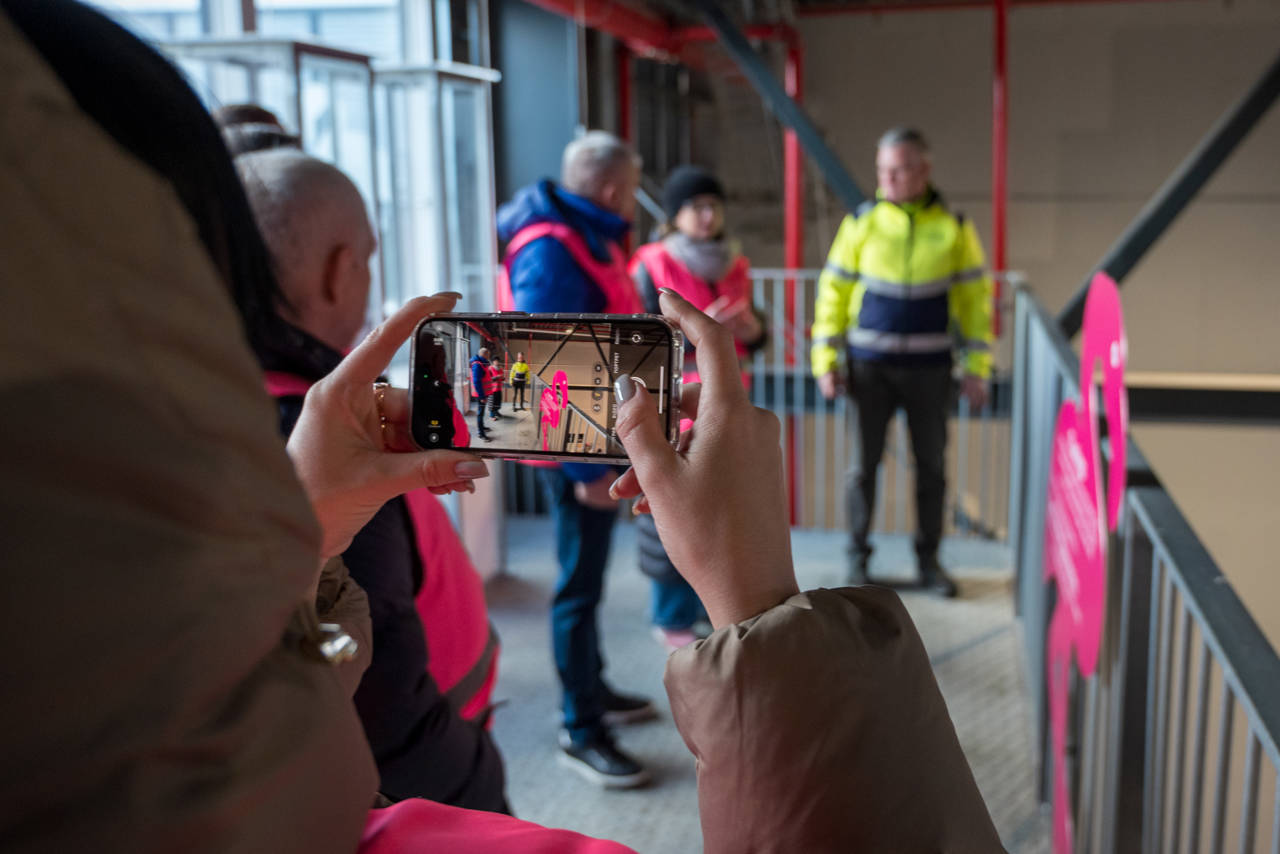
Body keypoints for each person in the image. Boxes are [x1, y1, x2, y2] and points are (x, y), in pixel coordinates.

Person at [2, 4, 1004, 850]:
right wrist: (761, 608)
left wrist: (296, 561)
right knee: (574, 588)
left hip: (443, 706)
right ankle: (580, 714)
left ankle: (585, 704)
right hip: (454, 717)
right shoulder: (560, 244)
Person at [236, 148, 508, 811]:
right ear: (341, 271)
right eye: (368, 253)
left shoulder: (239, 399)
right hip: (431, 788)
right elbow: (381, 709)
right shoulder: (318, 446)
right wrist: (475, 781)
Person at [496, 131, 655, 788]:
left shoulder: (578, 235)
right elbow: (548, 361)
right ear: (615, 189)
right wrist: (590, 470)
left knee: (585, 585)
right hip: (575, 456)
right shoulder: (552, 247)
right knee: (577, 589)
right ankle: (578, 727)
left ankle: (593, 689)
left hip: (595, 442)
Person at [811, 127, 994, 597]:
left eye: (899, 169)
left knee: (931, 468)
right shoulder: (861, 222)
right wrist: (825, 361)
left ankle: (929, 564)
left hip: (931, 372)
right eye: (882, 170)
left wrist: (978, 368)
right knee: (861, 470)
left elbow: (976, 302)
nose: (887, 179)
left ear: (924, 170)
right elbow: (833, 292)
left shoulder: (954, 225)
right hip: (867, 370)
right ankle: (857, 561)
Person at [630, 165, 766, 652]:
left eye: (713, 205)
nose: (707, 216)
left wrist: (752, 331)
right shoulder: (649, 263)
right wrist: (702, 332)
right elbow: (638, 342)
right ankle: (672, 622)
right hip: (672, 407)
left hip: (726, 402)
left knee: (719, 513)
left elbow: (754, 329)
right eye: (696, 206)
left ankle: (704, 613)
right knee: (669, 511)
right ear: (675, 215)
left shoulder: (735, 262)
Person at [469, 347, 494, 441]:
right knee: (480, 413)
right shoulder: (477, 365)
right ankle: (481, 433)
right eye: (488, 355)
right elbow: (476, 382)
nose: (489, 357)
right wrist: (482, 396)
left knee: (482, 412)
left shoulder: (482, 364)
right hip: (481, 395)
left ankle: (482, 427)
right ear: (484, 354)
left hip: (483, 394)